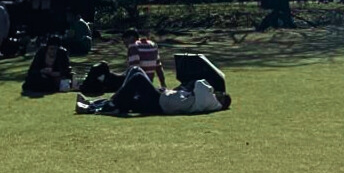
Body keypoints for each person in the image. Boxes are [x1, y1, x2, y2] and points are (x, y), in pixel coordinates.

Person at [77, 66, 230, 116]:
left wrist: (212, 86)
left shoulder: (211, 103)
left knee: (137, 78)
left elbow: (199, 83)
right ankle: (93, 105)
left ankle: (110, 106)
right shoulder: (205, 101)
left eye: (220, 94)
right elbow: (186, 92)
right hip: (161, 99)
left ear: (222, 101)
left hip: (160, 104)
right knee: (134, 71)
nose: (216, 92)